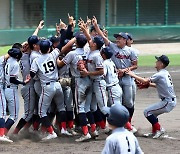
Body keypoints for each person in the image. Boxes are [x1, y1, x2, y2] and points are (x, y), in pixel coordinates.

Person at [92, 16, 138, 133]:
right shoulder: (112, 47)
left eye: (119, 38)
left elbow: (135, 65)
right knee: (115, 104)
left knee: (128, 103)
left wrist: (126, 70)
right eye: (116, 38)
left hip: (127, 78)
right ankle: (121, 125)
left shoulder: (131, 51)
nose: (117, 39)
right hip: (116, 79)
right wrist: (96, 26)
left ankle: (128, 123)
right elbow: (102, 36)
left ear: (125, 40)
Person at [126, 55, 176, 139]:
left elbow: (145, 80)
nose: (156, 62)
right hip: (169, 101)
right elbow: (159, 85)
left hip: (167, 102)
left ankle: (159, 129)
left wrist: (131, 74)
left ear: (161, 64)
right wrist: (149, 85)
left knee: (147, 112)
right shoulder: (165, 73)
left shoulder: (160, 74)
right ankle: (154, 132)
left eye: (158, 61)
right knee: (153, 114)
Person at [4, 48, 30, 135]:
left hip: (6, 89)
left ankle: (2, 133)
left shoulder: (7, 61)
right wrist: (22, 82)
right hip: (11, 90)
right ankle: (3, 134)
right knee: (14, 116)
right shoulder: (15, 64)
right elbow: (12, 79)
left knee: (8, 113)